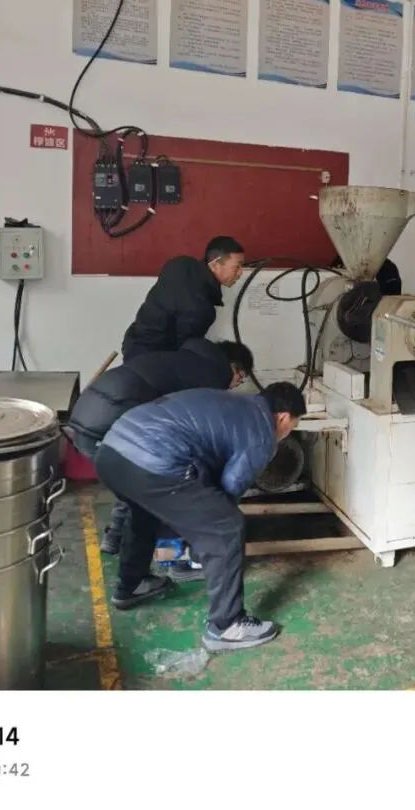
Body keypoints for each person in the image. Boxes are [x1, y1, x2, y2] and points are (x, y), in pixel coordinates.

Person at [94, 381, 307, 652]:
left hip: (112, 452)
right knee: (226, 526)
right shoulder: (262, 431)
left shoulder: (236, 403)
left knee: (144, 511)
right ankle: (227, 625)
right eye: (292, 428)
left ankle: (131, 585)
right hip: (154, 459)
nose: (287, 435)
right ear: (284, 418)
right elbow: (230, 489)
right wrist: (203, 545)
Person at [67, 338, 255, 555]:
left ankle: (118, 536)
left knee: (131, 482)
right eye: (241, 378)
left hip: (84, 419)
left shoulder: (187, 360)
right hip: (111, 420)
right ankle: (149, 546)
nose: (236, 385)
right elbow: (199, 429)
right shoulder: (214, 375)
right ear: (234, 367)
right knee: (153, 481)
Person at [121, 236, 246, 360]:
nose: (241, 273)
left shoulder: (180, 263)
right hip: (152, 360)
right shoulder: (201, 309)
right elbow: (183, 354)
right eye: (237, 267)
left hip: (133, 341)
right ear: (215, 265)